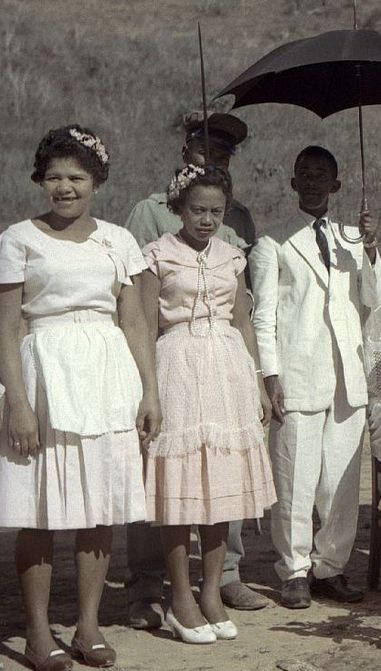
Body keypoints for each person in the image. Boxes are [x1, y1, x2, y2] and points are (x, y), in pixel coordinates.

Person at [0, 126, 160, 670]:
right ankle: (38, 633)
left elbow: (135, 320)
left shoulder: (118, 240)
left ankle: (88, 628)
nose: (64, 187)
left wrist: (149, 391)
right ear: (40, 180)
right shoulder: (19, 238)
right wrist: (17, 403)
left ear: (97, 181)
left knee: (99, 508)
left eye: (76, 177)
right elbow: (5, 325)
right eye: (54, 177)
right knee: (39, 511)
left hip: (107, 375)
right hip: (44, 375)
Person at [123, 111, 268, 623]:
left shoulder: (233, 244)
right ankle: (150, 588)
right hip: (176, 361)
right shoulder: (150, 226)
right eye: (197, 209)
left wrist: (257, 380)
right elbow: (137, 312)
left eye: (215, 210)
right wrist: (144, 384)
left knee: (218, 474)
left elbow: (244, 317)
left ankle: (218, 584)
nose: (207, 218)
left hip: (224, 365)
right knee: (171, 475)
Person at [250, 145, 381, 608]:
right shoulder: (272, 242)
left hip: (346, 375)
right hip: (297, 371)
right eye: (303, 173)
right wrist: (270, 374)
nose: (312, 181)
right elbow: (262, 316)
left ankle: (331, 567)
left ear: (336, 185)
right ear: (292, 183)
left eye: (321, 174)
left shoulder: (353, 237)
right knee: (295, 478)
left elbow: (374, 296)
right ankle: (293, 570)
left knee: (342, 484)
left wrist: (369, 248)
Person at [125, 112, 256, 250]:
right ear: (185, 153)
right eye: (205, 153)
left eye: (222, 158)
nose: (212, 164)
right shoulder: (151, 212)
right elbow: (132, 268)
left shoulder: (239, 217)